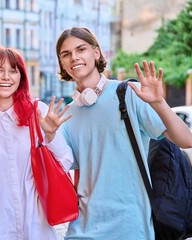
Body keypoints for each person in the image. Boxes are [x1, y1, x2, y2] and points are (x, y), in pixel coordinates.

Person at [55, 26, 192, 240]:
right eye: (66, 54)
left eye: (81, 49)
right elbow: (61, 170)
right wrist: (47, 135)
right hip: (81, 231)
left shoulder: (128, 94)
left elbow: (186, 139)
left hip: (131, 228)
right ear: (62, 62)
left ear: (96, 52)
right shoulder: (67, 115)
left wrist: (158, 102)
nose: (74, 57)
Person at [0, 47, 74, 239]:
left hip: (36, 229)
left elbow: (66, 162)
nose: (6, 77)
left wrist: (50, 136)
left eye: (13, 71)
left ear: (21, 78)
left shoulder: (38, 112)